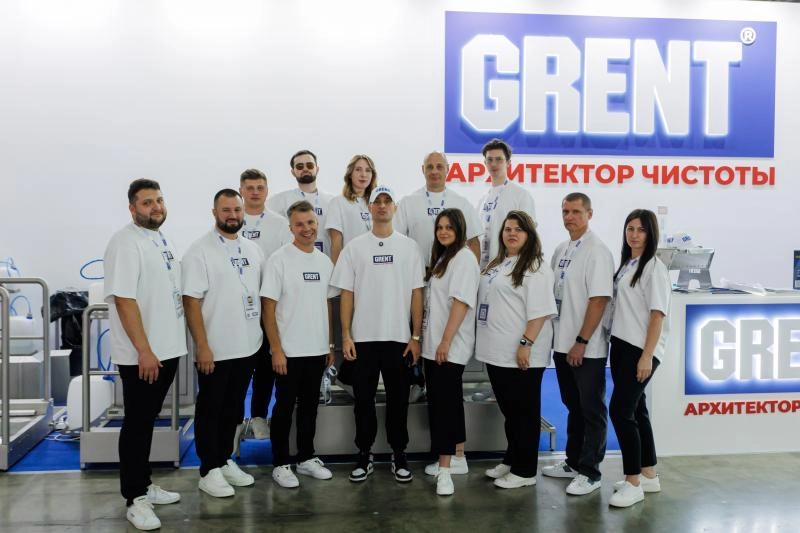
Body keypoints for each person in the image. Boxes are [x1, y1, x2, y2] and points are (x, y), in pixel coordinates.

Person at [103, 178, 186, 530]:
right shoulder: (125, 243)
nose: (156, 207)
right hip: (144, 355)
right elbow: (124, 300)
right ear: (132, 207)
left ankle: (145, 483)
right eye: (147, 202)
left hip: (166, 349)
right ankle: (134, 498)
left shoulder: (160, 238)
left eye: (159, 200)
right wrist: (144, 350)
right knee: (137, 423)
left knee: (147, 419)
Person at [330, 185, 424, 484]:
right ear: (369, 208)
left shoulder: (409, 247)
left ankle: (399, 453)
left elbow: (417, 294)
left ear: (394, 207)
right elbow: (346, 294)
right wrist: (346, 335)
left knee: (399, 401)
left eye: (387, 201)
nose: (382, 206)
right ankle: (364, 453)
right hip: (363, 341)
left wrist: (416, 337)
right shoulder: (355, 247)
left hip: (399, 340)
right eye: (377, 202)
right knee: (363, 402)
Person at [182, 189, 262, 498]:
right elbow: (191, 301)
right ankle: (208, 469)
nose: (233, 215)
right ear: (214, 213)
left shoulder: (253, 249)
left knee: (233, 408)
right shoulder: (199, 251)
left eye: (237, 210)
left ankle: (224, 459)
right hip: (215, 348)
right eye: (226, 210)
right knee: (210, 409)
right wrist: (202, 346)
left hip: (247, 346)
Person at [475, 211, 557, 489]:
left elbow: (541, 312)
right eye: (508, 229)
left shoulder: (536, 267)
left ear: (529, 234)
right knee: (511, 413)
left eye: (518, 229)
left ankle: (525, 471)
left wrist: (525, 344)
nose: (511, 233)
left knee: (524, 413)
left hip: (521, 353)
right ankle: (512, 459)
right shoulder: (498, 263)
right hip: (496, 352)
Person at [261, 200, 339, 489]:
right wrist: (276, 349)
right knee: (283, 408)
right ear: (290, 227)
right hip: (288, 352)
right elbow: (268, 308)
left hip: (316, 350)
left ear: (316, 224)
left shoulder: (324, 261)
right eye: (300, 224)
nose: (306, 229)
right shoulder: (279, 260)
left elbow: (327, 305)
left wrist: (329, 344)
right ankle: (280, 463)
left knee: (309, 407)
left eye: (310, 223)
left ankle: (306, 457)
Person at [542, 192, 614, 497]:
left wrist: (582, 341)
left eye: (575, 211)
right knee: (573, 405)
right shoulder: (562, 249)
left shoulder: (597, 251)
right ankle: (573, 462)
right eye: (565, 211)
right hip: (562, 344)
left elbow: (599, 300)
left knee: (591, 409)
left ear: (589, 214)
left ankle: (591, 472)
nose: (569, 217)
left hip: (586, 348)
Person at [606, 209, 670, 508]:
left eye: (641, 230)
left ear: (651, 234)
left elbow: (657, 315)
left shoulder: (654, 268)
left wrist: (646, 356)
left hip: (639, 349)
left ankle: (632, 482)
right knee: (637, 409)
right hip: (621, 343)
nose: (634, 235)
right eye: (630, 228)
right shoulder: (628, 264)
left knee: (621, 411)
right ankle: (648, 474)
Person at [420, 208, 480, 496]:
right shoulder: (445, 257)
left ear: (460, 230)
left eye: (449, 227)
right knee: (448, 404)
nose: (443, 232)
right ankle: (458, 457)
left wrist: (445, 341)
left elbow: (461, 303)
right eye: (439, 227)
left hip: (449, 346)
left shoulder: (464, 258)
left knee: (444, 407)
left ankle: (445, 472)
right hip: (434, 345)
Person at [238, 168, 292, 440]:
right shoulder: (233, 220)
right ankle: (238, 420)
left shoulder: (279, 224)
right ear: (241, 191)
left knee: (268, 364)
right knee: (240, 367)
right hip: (239, 309)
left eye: (260, 187)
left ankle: (261, 416)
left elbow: (287, 261)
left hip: (271, 305)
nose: (255, 192)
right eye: (249, 188)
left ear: (267, 191)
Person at [394, 151, 482, 266]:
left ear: (447, 169)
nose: (434, 171)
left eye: (439, 167)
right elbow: (396, 240)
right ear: (423, 169)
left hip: (452, 271)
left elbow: (473, 242)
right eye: (430, 167)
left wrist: (473, 273)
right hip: (418, 271)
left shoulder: (461, 203)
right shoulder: (407, 202)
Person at [475, 139, 537, 269]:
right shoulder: (482, 200)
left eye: (499, 159)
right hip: (483, 269)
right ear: (485, 163)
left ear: (508, 163)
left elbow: (529, 235)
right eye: (490, 160)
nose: (494, 164)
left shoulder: (521, 195)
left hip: (510, 268)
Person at [268, 150, 334, 257]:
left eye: (309, 165)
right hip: (293, 259)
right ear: (293, 172)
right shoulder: (280, 200)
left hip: (325, 260)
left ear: (317, 169)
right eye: (299, 166)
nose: (305, 169)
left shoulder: (332, 201)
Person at [325, 154, 378, 264]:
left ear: (372, 175)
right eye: (358, 169)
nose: (363, 174)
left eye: (368, 170)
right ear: (350, 174)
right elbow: (335, 244)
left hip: (375, 265)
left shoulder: (378, 204)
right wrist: (338, 271)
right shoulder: (338, 203)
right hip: (351, 265)